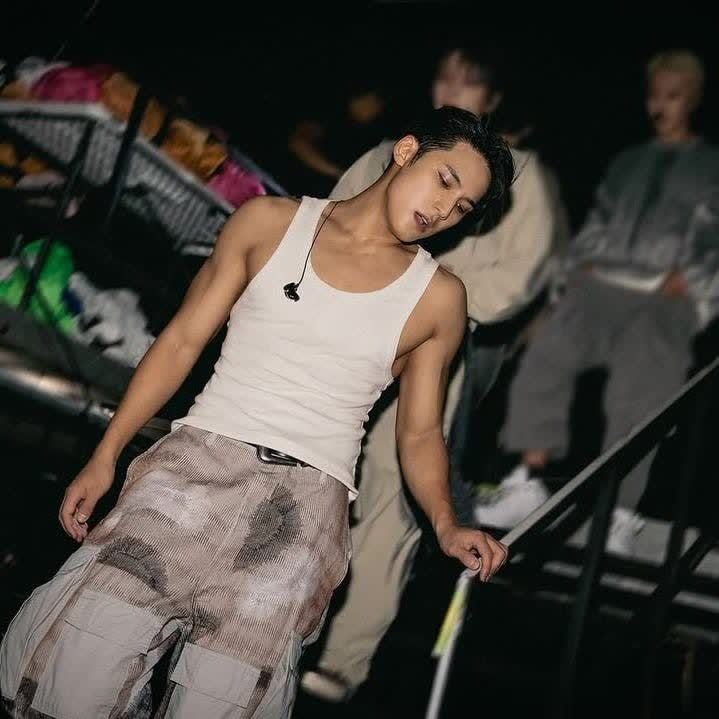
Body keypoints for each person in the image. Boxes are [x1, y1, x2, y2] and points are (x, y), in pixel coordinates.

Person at [0, 106, 513, 719]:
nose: (443, 208)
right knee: (76, 669)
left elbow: (421, 431)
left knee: (223, 701)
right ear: (406, 151)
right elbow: (181, 341)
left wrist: (447, 524)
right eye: (445, 181)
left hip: (300, 514)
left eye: (461, 208)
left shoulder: (438, 298)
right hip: (191, 472)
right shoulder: (268, 223)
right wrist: (106, 453)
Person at [300, 46, 567, 703]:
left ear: (493, 96)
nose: (452, 86)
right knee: (309, 469)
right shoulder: (390, 153)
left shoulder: (522, 175)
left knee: (393, 492)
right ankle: (279, 624)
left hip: (434, 348)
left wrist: (431, 298)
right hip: (343, 333)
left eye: (468, 80)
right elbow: (329, 225)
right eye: (444, 75)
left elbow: (520, 278)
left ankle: (343, 660)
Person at [476, 50, 719, 557]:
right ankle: (526, 481)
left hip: (665, 295)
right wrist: (577, 270)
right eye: (654, 95)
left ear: (693, 100)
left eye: (673, 95)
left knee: (640, 390)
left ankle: (622, 513)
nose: (660, 105)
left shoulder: (710, 165)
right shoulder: (628, 161)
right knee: (544, 360)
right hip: (603, 285)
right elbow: (598, 221)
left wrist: (695, 285)